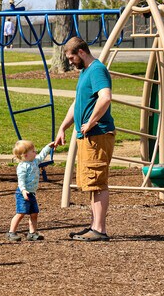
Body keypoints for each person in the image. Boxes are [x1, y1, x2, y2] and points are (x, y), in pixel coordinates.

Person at [53, 37, 115, 242]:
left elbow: (105, 97)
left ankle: (100, 229)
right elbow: (77, 103)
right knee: (91, 183)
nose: (70, 62)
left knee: (97, 182)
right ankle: (94, 226)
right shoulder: (85, 72)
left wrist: (91, 122)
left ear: (81, 52)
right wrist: (63, 127)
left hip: (97, 135)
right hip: (88, 136)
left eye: (71, 58)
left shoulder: (97, 70)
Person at [6, 139, 54, 241]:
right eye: (33, 151)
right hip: (23, 193)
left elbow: (42, 154)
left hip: (31, 193)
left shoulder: (35, 161)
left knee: (34, 213)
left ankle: (32, 233)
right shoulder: (22, 167)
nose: (35, 152)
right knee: (21, 213)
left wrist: (49, 147)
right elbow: (21, 181)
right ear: (26, 155)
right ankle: (11, 232)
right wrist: (23, 191)